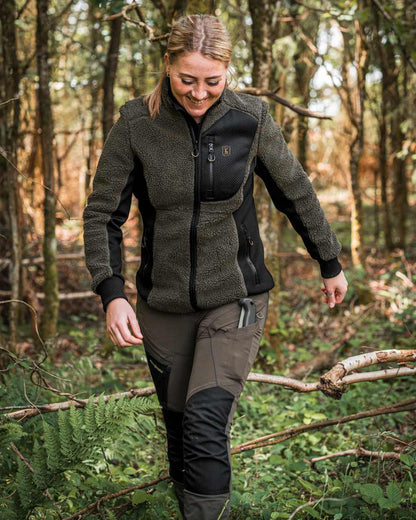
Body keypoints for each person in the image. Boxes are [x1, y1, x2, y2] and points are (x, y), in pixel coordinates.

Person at [83, 13, 348, 520]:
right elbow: (102, 215)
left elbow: (294, 190)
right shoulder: (136, 123)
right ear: (168, 66)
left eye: (212, 81)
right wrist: (112, 291)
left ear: (227, 71)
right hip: (162, 305)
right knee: (182, 428)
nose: (199, 93)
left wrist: (329, 260)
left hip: (237, 296)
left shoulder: (250, 119)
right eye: (187, 80)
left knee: (205, 422)